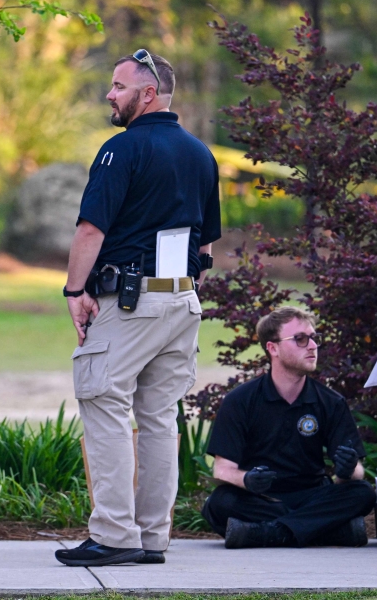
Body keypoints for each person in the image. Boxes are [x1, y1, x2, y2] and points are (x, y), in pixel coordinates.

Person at [56, 49, 222, 567]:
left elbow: (90, 228)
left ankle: (113, 534)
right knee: (157, 418)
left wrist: (74, 291)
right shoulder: (201, 154)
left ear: (147, 94)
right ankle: (152, 538)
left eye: (118, 87)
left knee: (104, 404)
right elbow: (208, 245)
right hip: (182, 300)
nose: (110, 94)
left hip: (130, 299)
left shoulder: (120, 150)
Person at [200, 307, 376, 549]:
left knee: (362, 493)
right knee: (221, 503)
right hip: (261, 497)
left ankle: (266, 533)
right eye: (300, 339)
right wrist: (248, 480)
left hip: (311, 494)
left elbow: (356, 472)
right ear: (273, 348)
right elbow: (222, 470)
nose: (313, 345)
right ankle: (326, 532)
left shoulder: (330, 402)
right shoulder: (240, 401)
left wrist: (347, 470)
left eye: (314, 338)